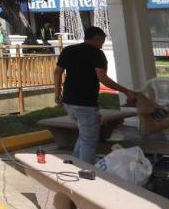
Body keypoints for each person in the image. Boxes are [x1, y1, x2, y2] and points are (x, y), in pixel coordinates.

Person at [53, 26, 142, 163]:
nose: (102, 45)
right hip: (85, 105)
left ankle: (75, 163)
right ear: (96, 38)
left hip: (69, 103)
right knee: (89, 141)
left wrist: (57, 93)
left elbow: (57, 72)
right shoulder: (97, 53)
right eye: (102, 41)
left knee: (84, 135)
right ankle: (85, 173)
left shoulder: (68, 50)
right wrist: (126, 91)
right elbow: (103, 78)